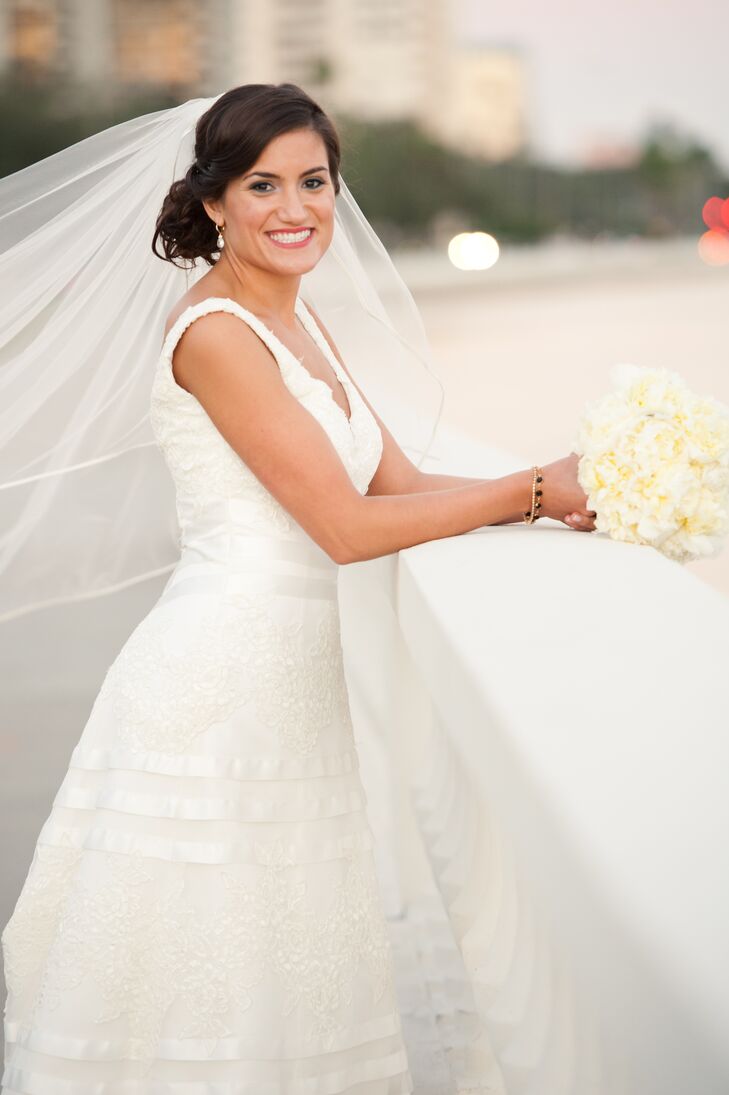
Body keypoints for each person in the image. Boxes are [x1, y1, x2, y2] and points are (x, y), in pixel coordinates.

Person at [1, 82, 596, 1092]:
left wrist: (567, 492)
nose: (295, 208)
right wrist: (533, 485)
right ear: (214, 204)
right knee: (209, 973)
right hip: (217, 690)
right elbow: (346, 526)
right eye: (261, 184)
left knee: (284, 973)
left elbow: (398, 485)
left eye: (314, 182)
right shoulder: (219, 335)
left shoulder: (298, 324)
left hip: (291, 688)